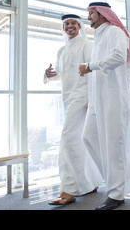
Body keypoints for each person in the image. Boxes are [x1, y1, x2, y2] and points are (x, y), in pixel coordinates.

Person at [79, 2, 130, 210]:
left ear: (103, 14)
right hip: (98, 99)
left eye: (91, 13)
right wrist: (91, 99)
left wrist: (89, 66)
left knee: (114, 146)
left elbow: (119, 57)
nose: (88, 17)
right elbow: (97, 75)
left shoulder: (114, 31)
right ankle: (113, 181)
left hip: (114, 99)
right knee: (89, 137)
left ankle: (116, 194)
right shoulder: (98, 37)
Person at [44, 14, 102, 206]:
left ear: (79, 26)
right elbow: (62, 74)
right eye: (66, 24)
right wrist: (49, 75)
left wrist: (91, 99)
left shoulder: (87, 45)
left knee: (68, 142)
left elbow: (93, 72)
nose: (70, 26)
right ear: (63, 28)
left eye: (73, 23)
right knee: (81, 141)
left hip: (82, 99)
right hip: (68, 100)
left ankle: (68, 190)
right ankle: (91, 182)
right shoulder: (61, 50)